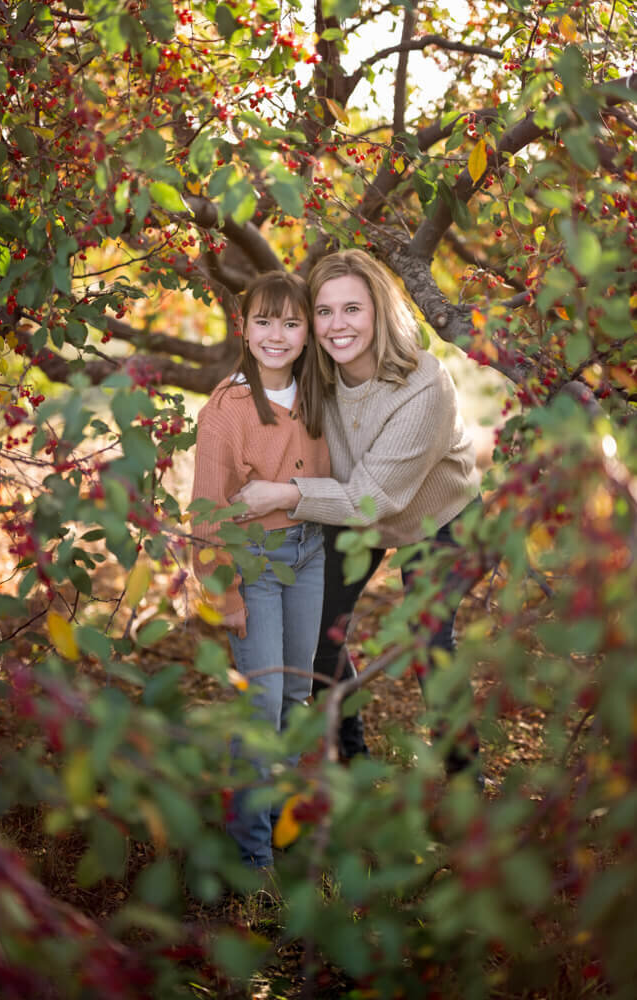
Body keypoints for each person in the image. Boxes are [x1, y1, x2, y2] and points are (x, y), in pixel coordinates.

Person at [231, 249, 483, 776]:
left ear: (379, 311)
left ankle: (464, 777)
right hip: (346, 507)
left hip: (436, 516)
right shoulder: (314, 374)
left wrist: (284, 494)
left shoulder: (424, 385)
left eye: (352, 309)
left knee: (428, 638)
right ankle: (349, 756)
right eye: (324, 312)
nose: (337, 325)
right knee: (318, 632)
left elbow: (374, 498)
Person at [190, 271, 330, 870]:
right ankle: (252, 859)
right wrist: (225, 596)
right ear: (243, 328)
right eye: (264, 321)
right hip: (256, 564)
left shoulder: (319, 393)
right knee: (263, 703)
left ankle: (282, 829)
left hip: (310, 554)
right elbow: (205, 512)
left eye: (291, 323)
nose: (277, 335)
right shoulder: (226, 410)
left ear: (308, 332)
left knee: (298, 694)